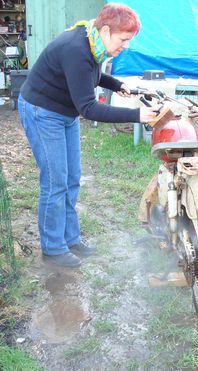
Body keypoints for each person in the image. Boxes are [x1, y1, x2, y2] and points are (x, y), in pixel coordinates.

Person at [18, 3, 158, 268]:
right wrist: (136, 116)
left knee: (71, 178)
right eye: (123, 40)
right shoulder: (76, 49)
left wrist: (116, 84)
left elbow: (90, 73)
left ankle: (70, 238)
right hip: (42, 111)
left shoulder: (92, 42)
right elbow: (89, 108)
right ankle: (53, 247)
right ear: (106, 30)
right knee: (55, 181)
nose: (125, 46)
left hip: (64, 112)